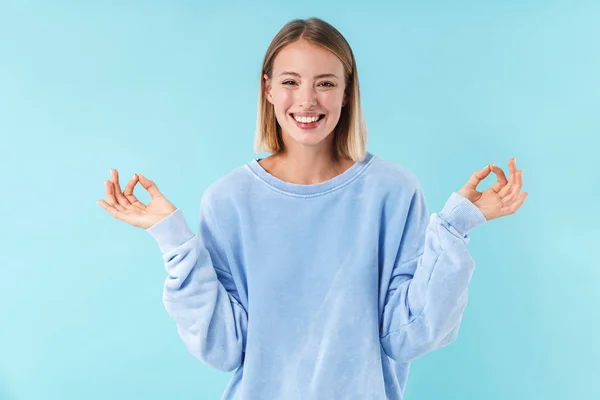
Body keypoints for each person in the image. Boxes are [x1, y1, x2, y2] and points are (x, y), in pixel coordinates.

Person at [97, 17, 527, 400]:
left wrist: (454, 226)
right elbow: (223, 346)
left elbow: (408, 333)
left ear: (345, 91)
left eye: (324, 82)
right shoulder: (228, 200)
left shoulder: (393, 191)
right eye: (289, 82)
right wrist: (172, 237)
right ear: (267, 88)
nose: (307, 100)